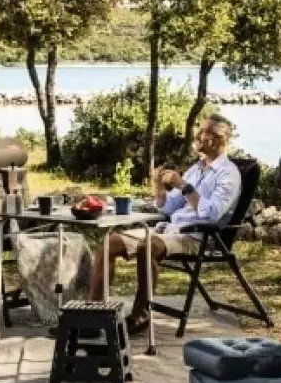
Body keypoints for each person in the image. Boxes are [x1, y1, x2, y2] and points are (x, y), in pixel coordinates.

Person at [89, 115, 241, 335]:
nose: (198, 135)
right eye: (199, 130)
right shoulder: (196, 169)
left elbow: (212, 214)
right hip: (170, 231)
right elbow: (168, 208)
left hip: (196, 237)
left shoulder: (229, 174)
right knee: (108, 243)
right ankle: (93, 316)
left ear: (219, 139)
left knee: (148, 246)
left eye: (204, 131)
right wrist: (159, 187)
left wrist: (183, 185)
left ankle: (140, 314)